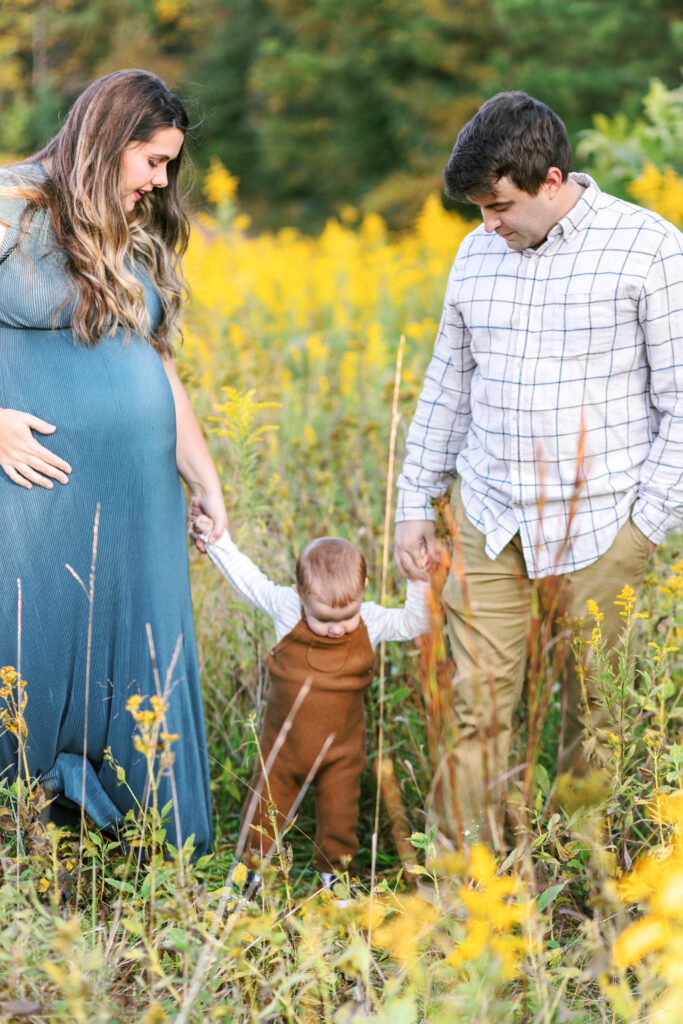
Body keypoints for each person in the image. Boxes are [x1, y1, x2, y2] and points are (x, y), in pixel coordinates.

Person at [394, 91, 683, 851]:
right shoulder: (475, 253)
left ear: (551, 181)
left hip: (602, 528)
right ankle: (460, 887)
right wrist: (412, 504)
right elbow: (448, 381)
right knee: (474, 708)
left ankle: (578, 878)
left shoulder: (649, 249)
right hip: (492, 519)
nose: (487, 224)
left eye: (499, 206)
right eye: (478, 209)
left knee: (594, 715)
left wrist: (642, 529)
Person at [0, 70, 227, 857]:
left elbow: (155, 363)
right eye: (153, 161)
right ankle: (26, 834)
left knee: (141, 663)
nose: (162, 181)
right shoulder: (12, 206)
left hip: (139, 506)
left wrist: (203, 479)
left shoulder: (136, 228)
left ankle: (152, 851)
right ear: (107, 142)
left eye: (169, 166)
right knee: (29, 657)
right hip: (37, 501)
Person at [194, 521, 430, 890]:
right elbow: (249, 580)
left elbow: (416, 621)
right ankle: (249, 875)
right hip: (283, 750)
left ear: (363, 592)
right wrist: (217, 540)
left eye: (346, 617)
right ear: (299, 594)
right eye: (324, 620)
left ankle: (334, 878)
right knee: (262, 812)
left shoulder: (370, 619)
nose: (338, 629)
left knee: (341, 819)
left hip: (342, 753)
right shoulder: (287, 609)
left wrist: (420, 580)